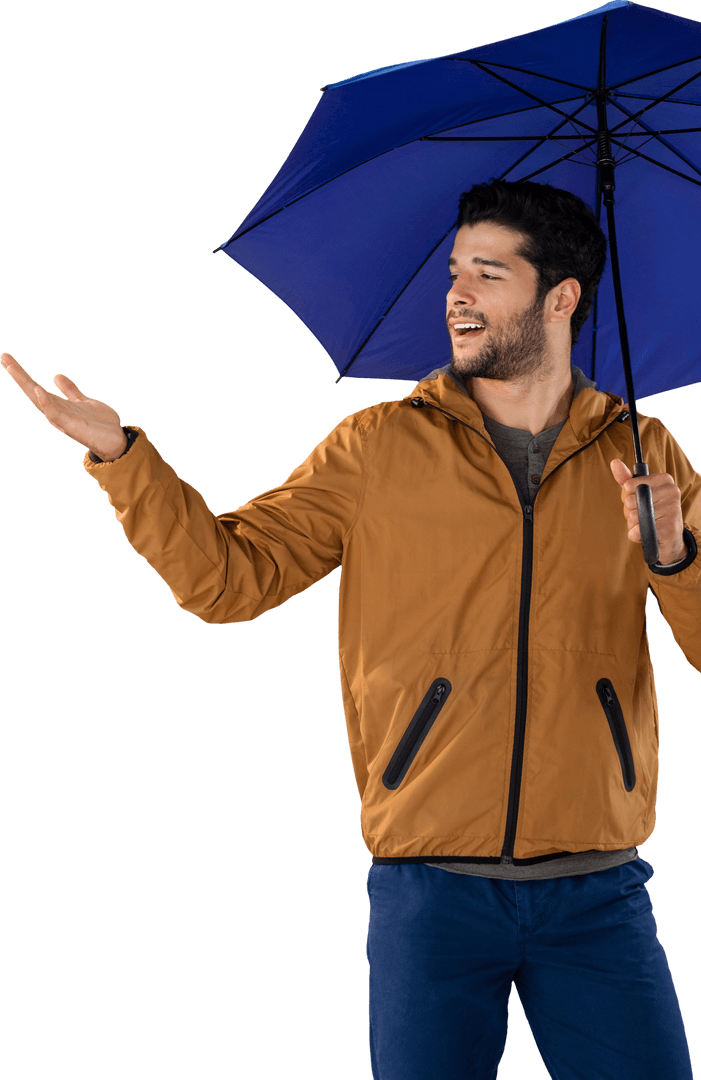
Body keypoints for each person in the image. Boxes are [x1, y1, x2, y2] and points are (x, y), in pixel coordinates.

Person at [1, 179, 698, 1080]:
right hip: (429, 892)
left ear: (559, 297)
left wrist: (674, 555)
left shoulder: (647, 456)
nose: (455, 294)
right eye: (454, 273)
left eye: (486, 275)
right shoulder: (377, 447)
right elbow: (228, 580)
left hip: (600, 889)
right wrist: (121, 458)